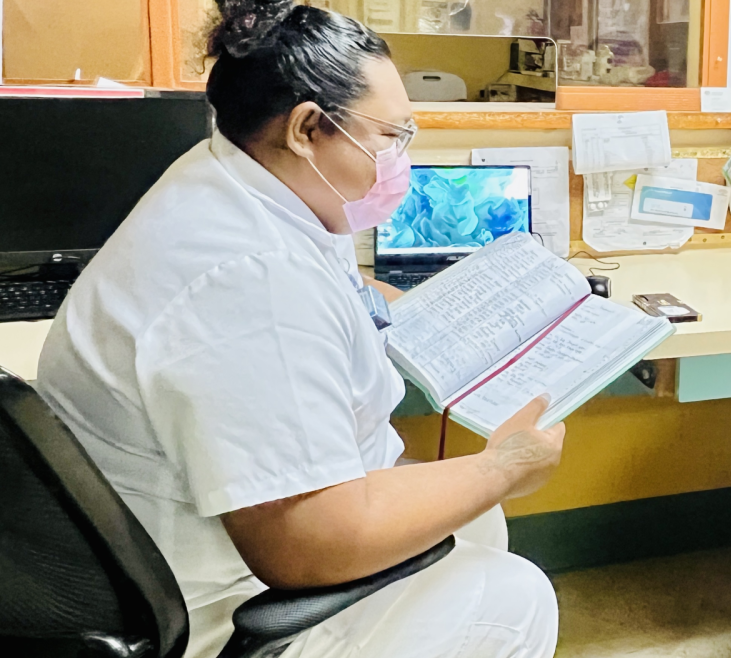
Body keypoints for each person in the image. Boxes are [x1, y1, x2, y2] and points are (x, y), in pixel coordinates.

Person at [35, 2, 562, 657]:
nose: (400, 157)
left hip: (192, 542)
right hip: (218, 604)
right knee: (513, 596)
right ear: (308, 128)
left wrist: (442, 314)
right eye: (390, 136)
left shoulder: (239, 178)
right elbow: (308, 545)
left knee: (475, 522)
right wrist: (508, 465)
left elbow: (340, 289)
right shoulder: (248, 276)